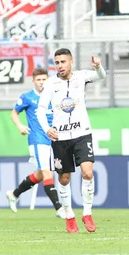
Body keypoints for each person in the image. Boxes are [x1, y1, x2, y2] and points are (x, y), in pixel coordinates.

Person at [36, 49, 106, 234]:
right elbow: (41, 109)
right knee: (64, 178)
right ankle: (69, 215)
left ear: (71, 62)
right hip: (61, 138)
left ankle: (87, 213)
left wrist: (98, 66)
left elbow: (101, 76)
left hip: (82, 133)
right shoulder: (51, 83)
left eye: (63, 62)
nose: (60, 66)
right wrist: (46, 129)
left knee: (88, 172)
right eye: (57, 62)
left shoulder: (81, 77)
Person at [5, 67, 65, 218]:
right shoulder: (27, 97)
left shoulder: (53, 96)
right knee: (47, 171)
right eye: (38, 80)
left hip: (54, 138)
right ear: (33, 81)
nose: (41, 83)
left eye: (44, 79)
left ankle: (14, 194)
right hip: (37, 139)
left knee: (39, 174)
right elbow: (14, 113)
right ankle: (59, 208)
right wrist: (20, 126)